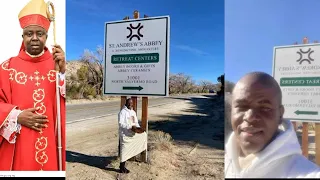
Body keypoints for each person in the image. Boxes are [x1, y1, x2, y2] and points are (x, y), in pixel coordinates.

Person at [0, 0, 66, 171]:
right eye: (29, 33)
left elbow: (65, 104)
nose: (35, 38)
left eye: (40, 33)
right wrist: (15, 116)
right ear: (23, 37)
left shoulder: (58, 65)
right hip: (19, 150)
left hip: (52, 146)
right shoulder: (7, 68)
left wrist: (64, 74)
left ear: (46, 37)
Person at [225, 71, 320, 178]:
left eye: (264, 108)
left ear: (280, 115)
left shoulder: (308, 173)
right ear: (231, 112)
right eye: (242, 107)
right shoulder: (226, 160)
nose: (250, 117)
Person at [118, 98, 147, 173]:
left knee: (144, 135)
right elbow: (121, 123)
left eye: (131, 103)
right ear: (126, 104)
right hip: (125, 134)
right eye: (129, 103)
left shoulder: (133, 112)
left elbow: (136, 122)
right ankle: (122, 167)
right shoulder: (122, 112)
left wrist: (138, 128)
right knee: (124, 151)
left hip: (133, 133)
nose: (130, 105)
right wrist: (130, 127)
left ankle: (124, 166)